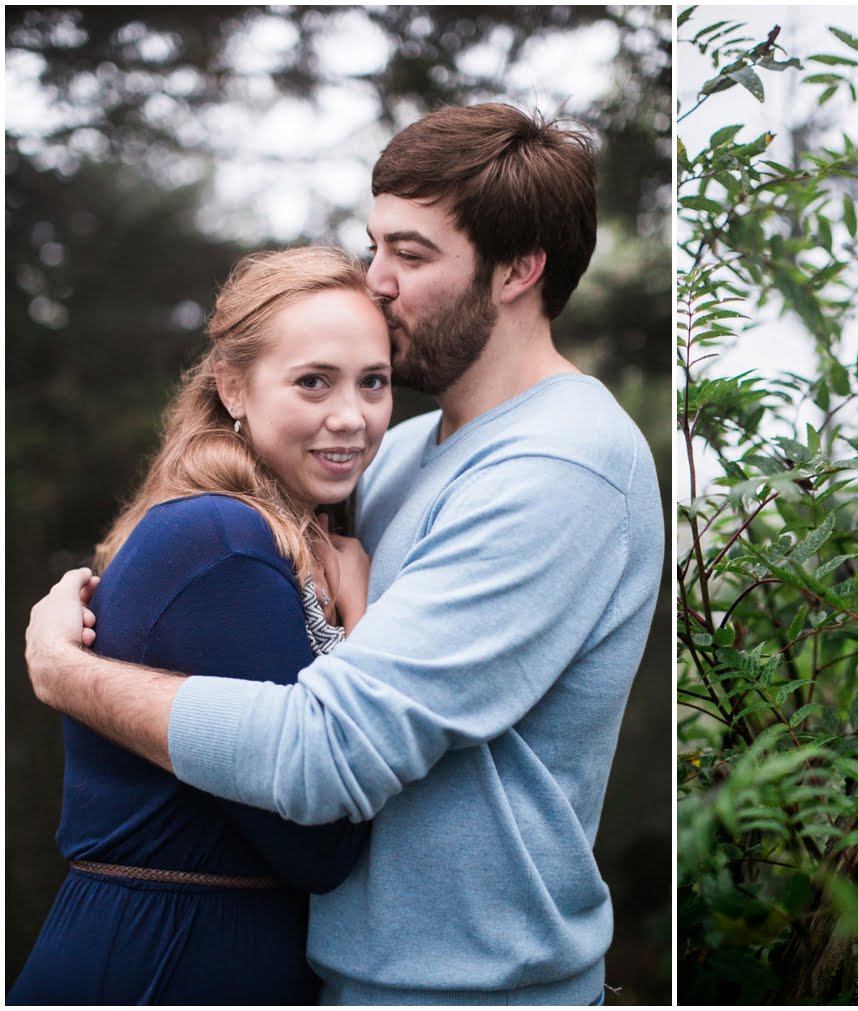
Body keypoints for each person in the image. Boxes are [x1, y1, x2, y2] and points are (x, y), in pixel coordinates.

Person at [25, 103, 665, 1005]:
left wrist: (70, 674)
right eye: (375, 246)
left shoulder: (562, 464)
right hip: (343, 975)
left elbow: (326, 750)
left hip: (470, 989)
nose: (377, 282)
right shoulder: (395, 454)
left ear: (519, 270)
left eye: (412, 254)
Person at [10, 246, 392, 1003]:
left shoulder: (266, 528)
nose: (351, 416)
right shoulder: (219, 538)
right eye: (313, 381)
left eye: (373, 381)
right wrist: (364, 617)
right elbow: (320, 843)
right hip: (162, 962)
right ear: (232, 386)